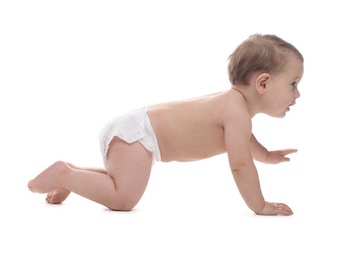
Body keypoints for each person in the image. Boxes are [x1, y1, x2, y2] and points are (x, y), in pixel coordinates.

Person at [28, 34, 304, 216]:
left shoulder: (235, 110)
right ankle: (65, 175)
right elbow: (240, 164)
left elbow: (245, 142)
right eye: (293, 84)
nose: (297, 94)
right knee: (123, 199)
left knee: (119, 182)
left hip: (135, 132)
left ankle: (72, 176)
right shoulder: (236, 113)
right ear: (263, 83)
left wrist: (267, 155)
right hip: (138, 136)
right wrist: (260, 205)